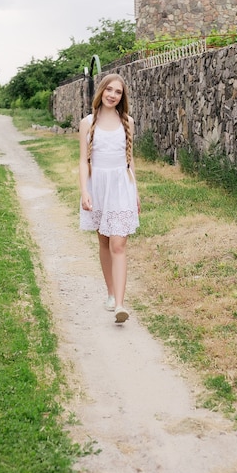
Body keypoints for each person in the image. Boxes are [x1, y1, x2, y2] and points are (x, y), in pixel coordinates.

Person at [79, 73, 140, 324]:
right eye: (109, 90)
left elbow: (129, 160)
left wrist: (136, 192)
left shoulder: (128, 122)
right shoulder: (87, 123)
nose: (113, 95)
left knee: (119, 244)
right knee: (104, 242)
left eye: (118, 92)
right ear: (101, 91)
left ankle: (120, 305)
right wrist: (85, 190)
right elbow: (84, 161)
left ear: (122, 97)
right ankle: (111, 293)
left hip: (121, 187)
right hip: (98, 187)